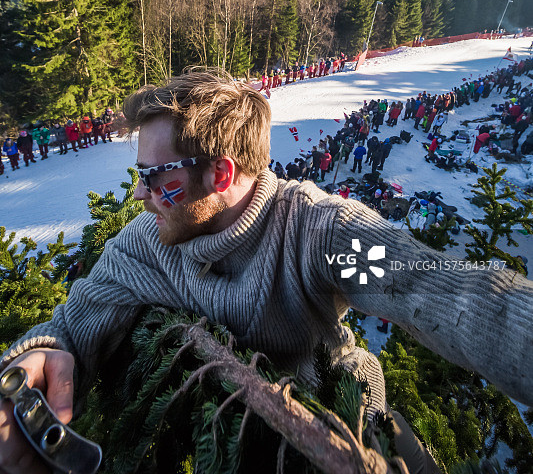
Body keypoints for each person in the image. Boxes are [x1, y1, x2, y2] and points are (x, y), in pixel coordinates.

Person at [2, 72, 533, 474]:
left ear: (221, 173)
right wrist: (32, 364)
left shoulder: (316, 236)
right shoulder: (149, 245)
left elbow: (442, 291)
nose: (140, 195)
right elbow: (72, 323)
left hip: (351, 428)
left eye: (153, 176)